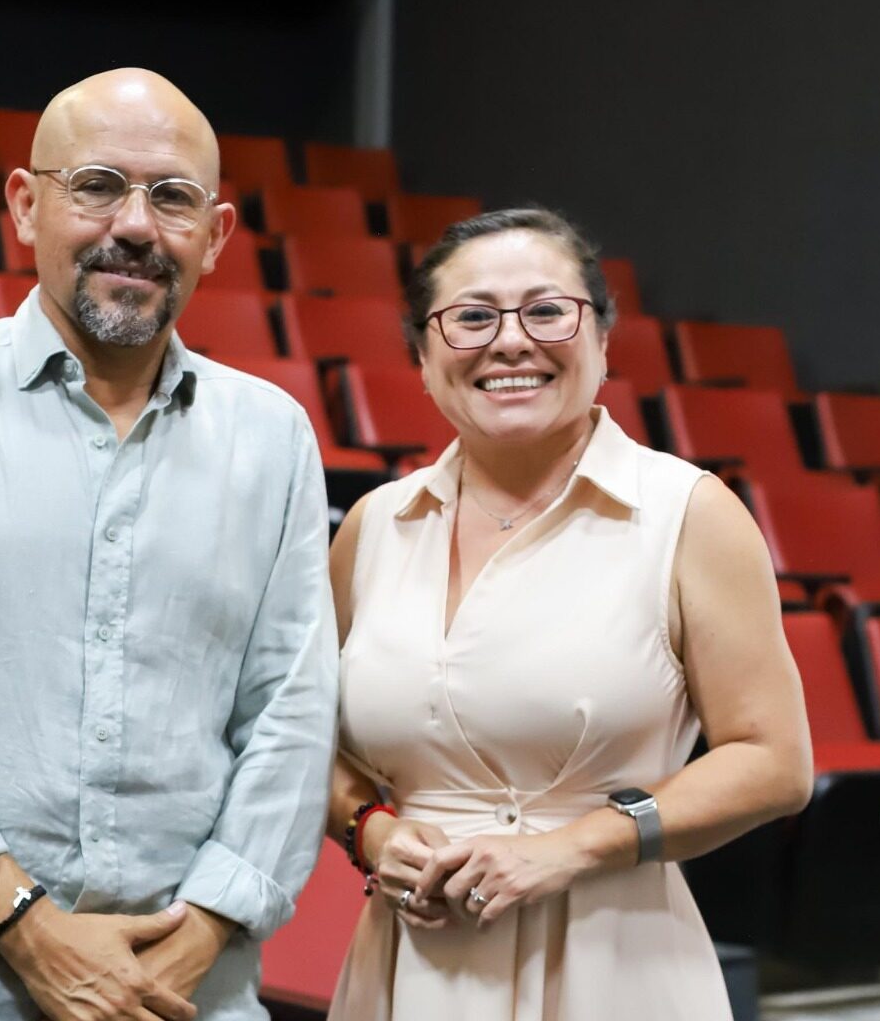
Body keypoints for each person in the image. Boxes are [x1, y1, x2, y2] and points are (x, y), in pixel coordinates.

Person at [0, 67, 338, 1021]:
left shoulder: (274, 438)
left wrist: (190, 947)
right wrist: (28, 928)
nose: (135, 225)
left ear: (216, 236)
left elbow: (291, 716)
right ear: (25, 205)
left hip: (183, 993)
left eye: (172, 197)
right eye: (96, 185)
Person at [324, 207, 813, 1020]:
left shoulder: (689, 513)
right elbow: (315, 745)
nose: (511, 341)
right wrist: (371, 831)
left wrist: (571, 848)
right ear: (422, 356)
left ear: (603, 340)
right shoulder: (374, 526)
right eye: (472, 317)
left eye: (547, 311)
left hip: (615, 955)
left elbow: (773, 762)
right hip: (413, 961)